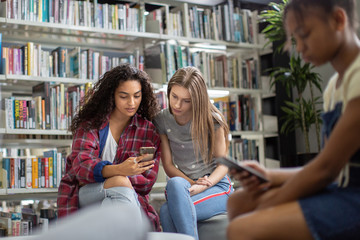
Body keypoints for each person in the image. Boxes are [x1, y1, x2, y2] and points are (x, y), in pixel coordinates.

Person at [227, 0, 360, 239]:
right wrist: (269, 175)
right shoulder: (334, 87)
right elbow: (331, 166)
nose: (299, 48)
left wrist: (271, 202)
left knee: (243, 227)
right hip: (342, 186)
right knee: (239, 202)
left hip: (354, 196)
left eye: (304, 35)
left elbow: (327, 170)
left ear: (338, 20)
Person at [57, 64, 162, 231]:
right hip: (86, 194)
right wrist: (119, 170)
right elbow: (81, 167)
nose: (131, 103)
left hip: (128, 196)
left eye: (137, 96)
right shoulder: (91, 125)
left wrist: (117, 176)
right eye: (124, 96)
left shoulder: (148, 131)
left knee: (115, 201)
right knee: (120, 181)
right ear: (111, 95)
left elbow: (146, 181)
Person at [153, 66, 234, 240]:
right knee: (174, 183)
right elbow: (167, 165)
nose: (177, 105)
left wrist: (205, 184)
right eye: (174, 96)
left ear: (196, 100)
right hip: (186, 186)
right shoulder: (162, 120)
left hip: (216, 187)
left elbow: (223, 165)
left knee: (167, 213)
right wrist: (192, 185)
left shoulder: (212, 121)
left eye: (186, 100)